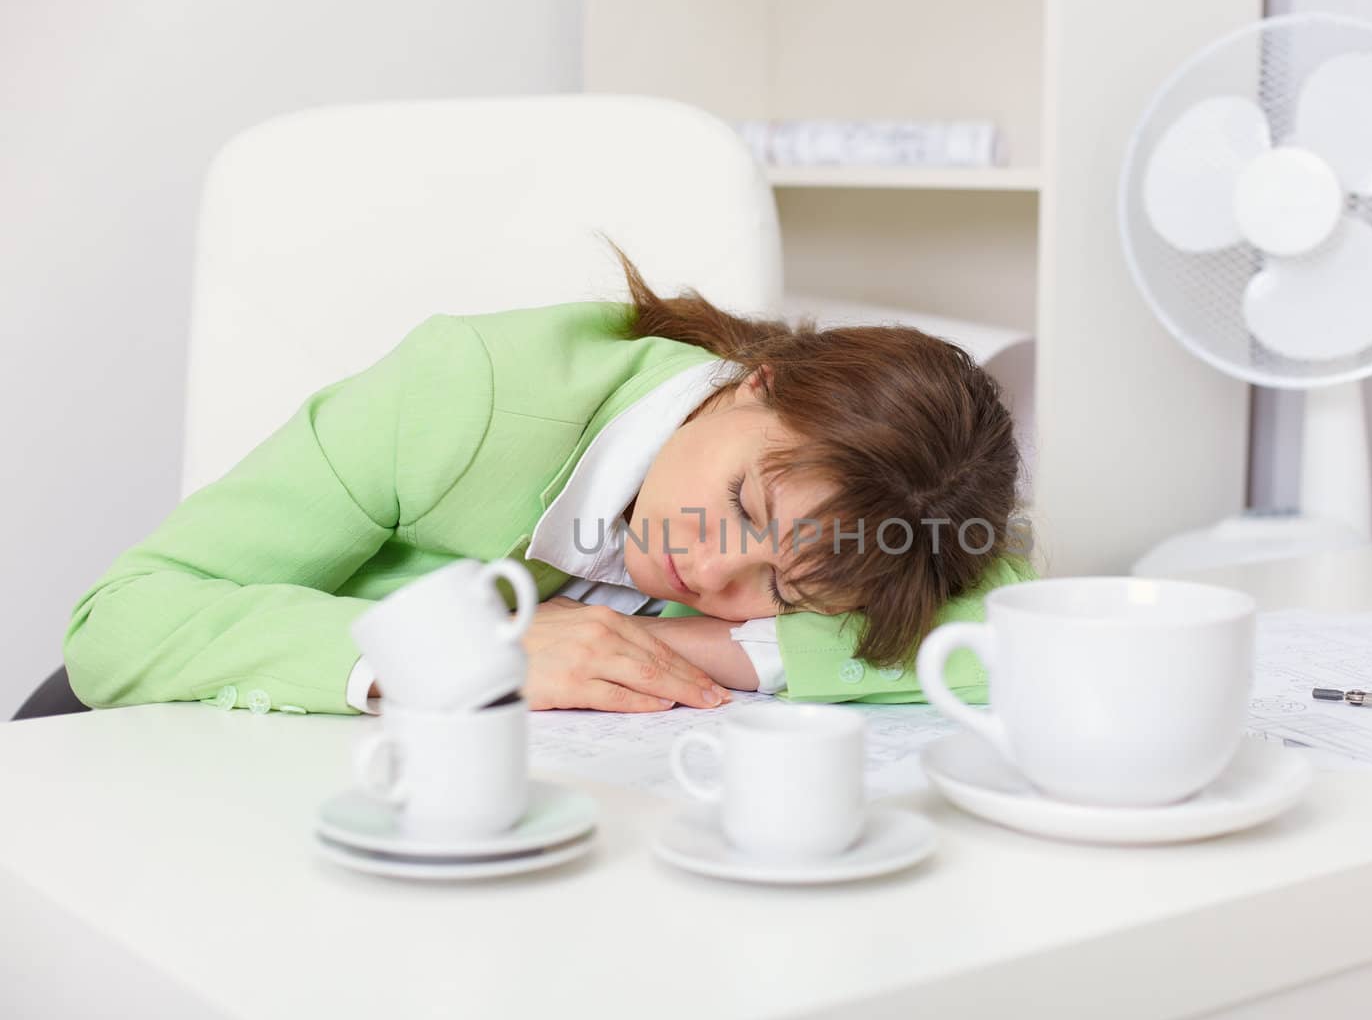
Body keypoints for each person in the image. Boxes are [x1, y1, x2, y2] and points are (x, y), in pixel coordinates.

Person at [62, 246, 1034, 716]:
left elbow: (1025, 636)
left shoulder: (879, 529)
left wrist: (724, 648)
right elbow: (120, 622)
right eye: (745, 503)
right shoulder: (468, 394)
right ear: (757, 381)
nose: (709, 567)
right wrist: (469, 654)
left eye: (780, 587)